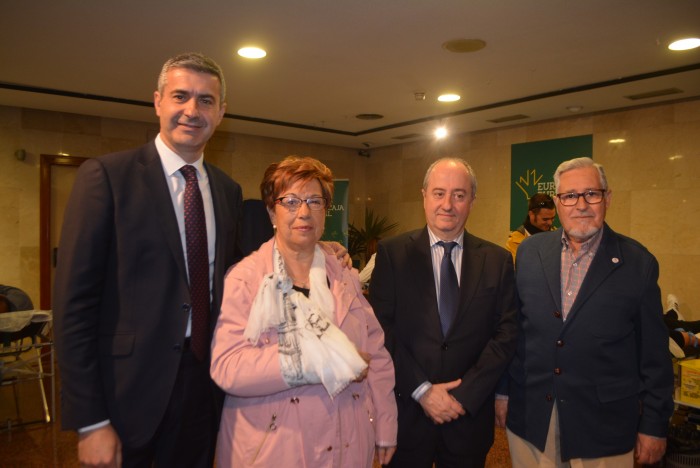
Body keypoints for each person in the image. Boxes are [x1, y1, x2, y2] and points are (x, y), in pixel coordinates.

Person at [53, 52, 243, 468]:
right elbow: (74, 307)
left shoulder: (228, 192)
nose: (192, 110)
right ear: (157, 101)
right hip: (126, 397)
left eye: (206, 100)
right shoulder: (106, 177)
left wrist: (324, 251)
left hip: (203, 391)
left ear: (221, 112)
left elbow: (244, 273)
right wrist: (90, 421)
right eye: (181, 96)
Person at [210, 156, 397, 467]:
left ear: (326, 210)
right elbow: (228, 367)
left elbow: (375, 355)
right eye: (291, 201)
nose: (304, 212)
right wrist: (315, 360)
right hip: (275, 447)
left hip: (346, 443)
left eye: (315, 200)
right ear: (272, 210)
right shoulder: (246, 278)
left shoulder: (345, 277)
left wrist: (386, 424)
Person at [502, 157, 674, 466]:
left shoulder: (638, 264)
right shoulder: (529, 253)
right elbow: (513, 332)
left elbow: (654, 356)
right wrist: (502, 393)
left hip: (603, 429)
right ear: (558, 202)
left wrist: (653, 424)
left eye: (591, 194)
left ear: (607, 198)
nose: (581, 204)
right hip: (532, 419)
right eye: (570, 196)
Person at [369, 157, 518, 467]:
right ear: (424, 195)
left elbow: (506, 333)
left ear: (472, 201)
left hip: (467, 419)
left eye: (459, 195)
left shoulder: (497, 260)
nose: (448, 204)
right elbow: (381, 330)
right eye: (439, 193)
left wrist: (464, 396)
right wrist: (422, 390)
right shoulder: (392, 254)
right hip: (408, 415)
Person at [505, 192, 556, 263]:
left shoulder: (558, 236)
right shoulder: (514, 241)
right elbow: (517, 270)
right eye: (545, 219)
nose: (550, 223)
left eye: (552, 218)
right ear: (531, 214)